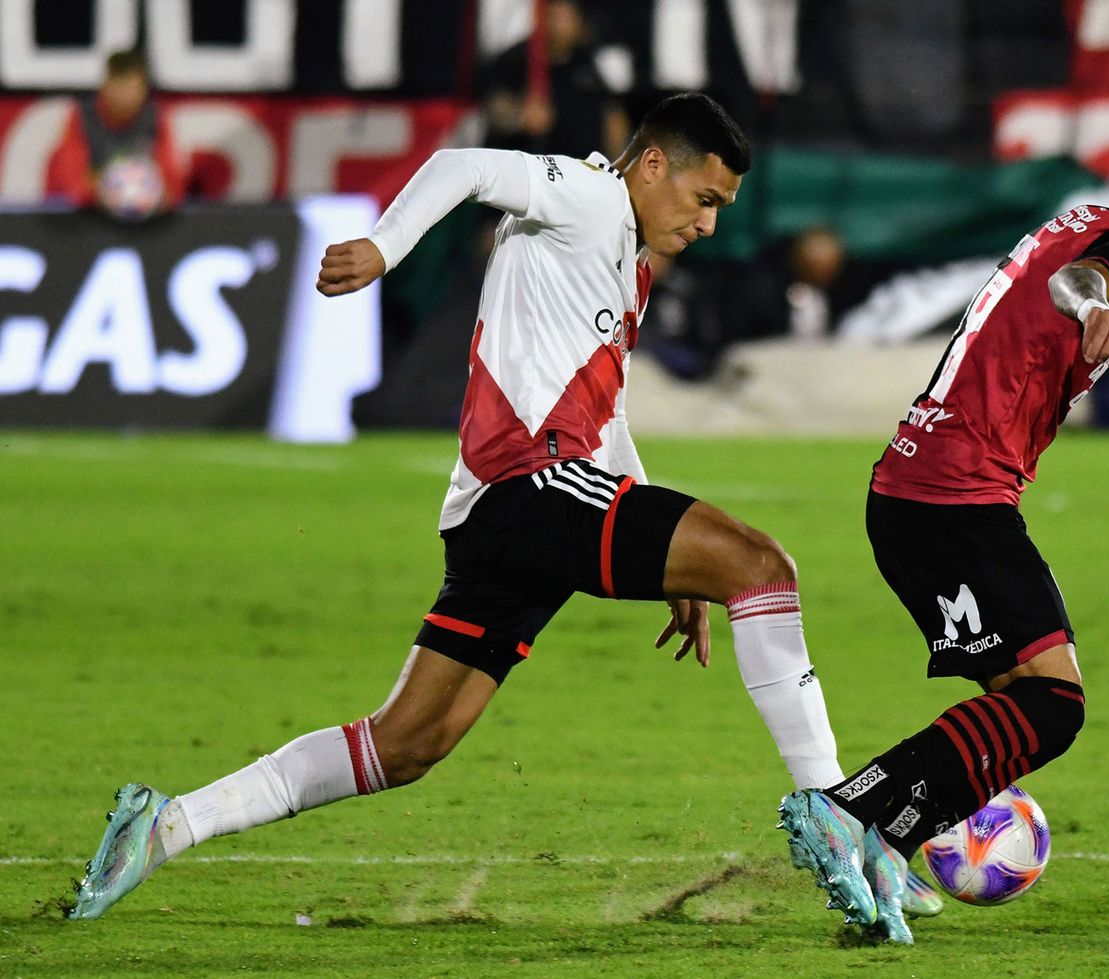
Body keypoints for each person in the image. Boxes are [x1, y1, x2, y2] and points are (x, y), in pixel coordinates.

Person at [65, 93, 880, 927]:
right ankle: (834, 811)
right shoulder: (591, 195)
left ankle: (166, 824)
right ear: (654, 165)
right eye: (705, 200)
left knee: (406, 742)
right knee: (762, 566)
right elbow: (468, 167)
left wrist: (674, 564)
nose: (709, 224)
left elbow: (610, 414)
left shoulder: (625, 260)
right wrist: (385, 247)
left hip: (506, 513)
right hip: (531, 486)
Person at [776, 128, 1109, 942]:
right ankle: (849, 810)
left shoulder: (1096, 218)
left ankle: (887, 841)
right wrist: (1100, 306)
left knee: (1015, 702)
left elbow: (1072, 269)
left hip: (923, 490)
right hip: (953, 498)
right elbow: (1076, 283)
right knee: (1051, 704)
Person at [481, 0, 630, 159]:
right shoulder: (515, 59)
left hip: (579, 170)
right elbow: (493, 106)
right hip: (526, 168)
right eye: (555, 16)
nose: (560, 25)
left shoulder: (587, 61)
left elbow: (612, 115)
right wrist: (520, 117)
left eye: (567, 17)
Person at [49, 49, 185, 220]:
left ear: (143, 89)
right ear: (106, 86)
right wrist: (106, 190)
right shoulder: (83, 117)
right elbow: (71, 182)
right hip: (88, 222)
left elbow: (173, 185)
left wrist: (151, 195)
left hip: (147, 225)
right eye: (120, 87)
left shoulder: (155, 118)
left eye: (132, 88)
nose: (126, 96)